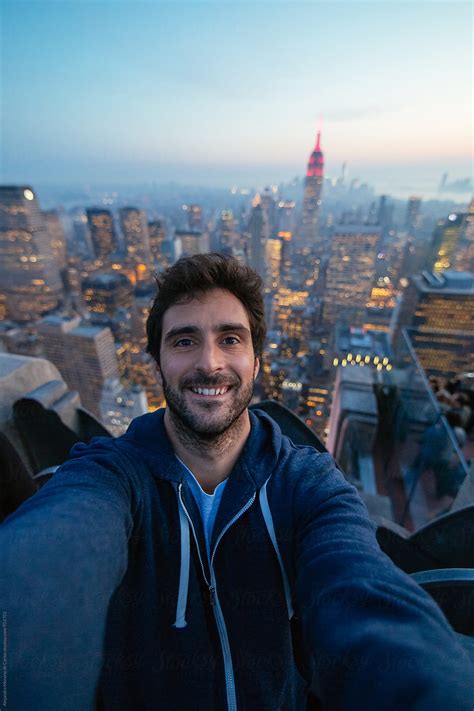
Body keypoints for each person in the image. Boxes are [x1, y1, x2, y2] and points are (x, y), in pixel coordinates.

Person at [1, 253, 473, 711]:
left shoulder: (306, 483)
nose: (210, 363)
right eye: (184, 341)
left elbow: (362, 590)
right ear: (158, 362)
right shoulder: (110, 477)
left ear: (256, 361)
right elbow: (49, 553)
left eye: (230, 339)